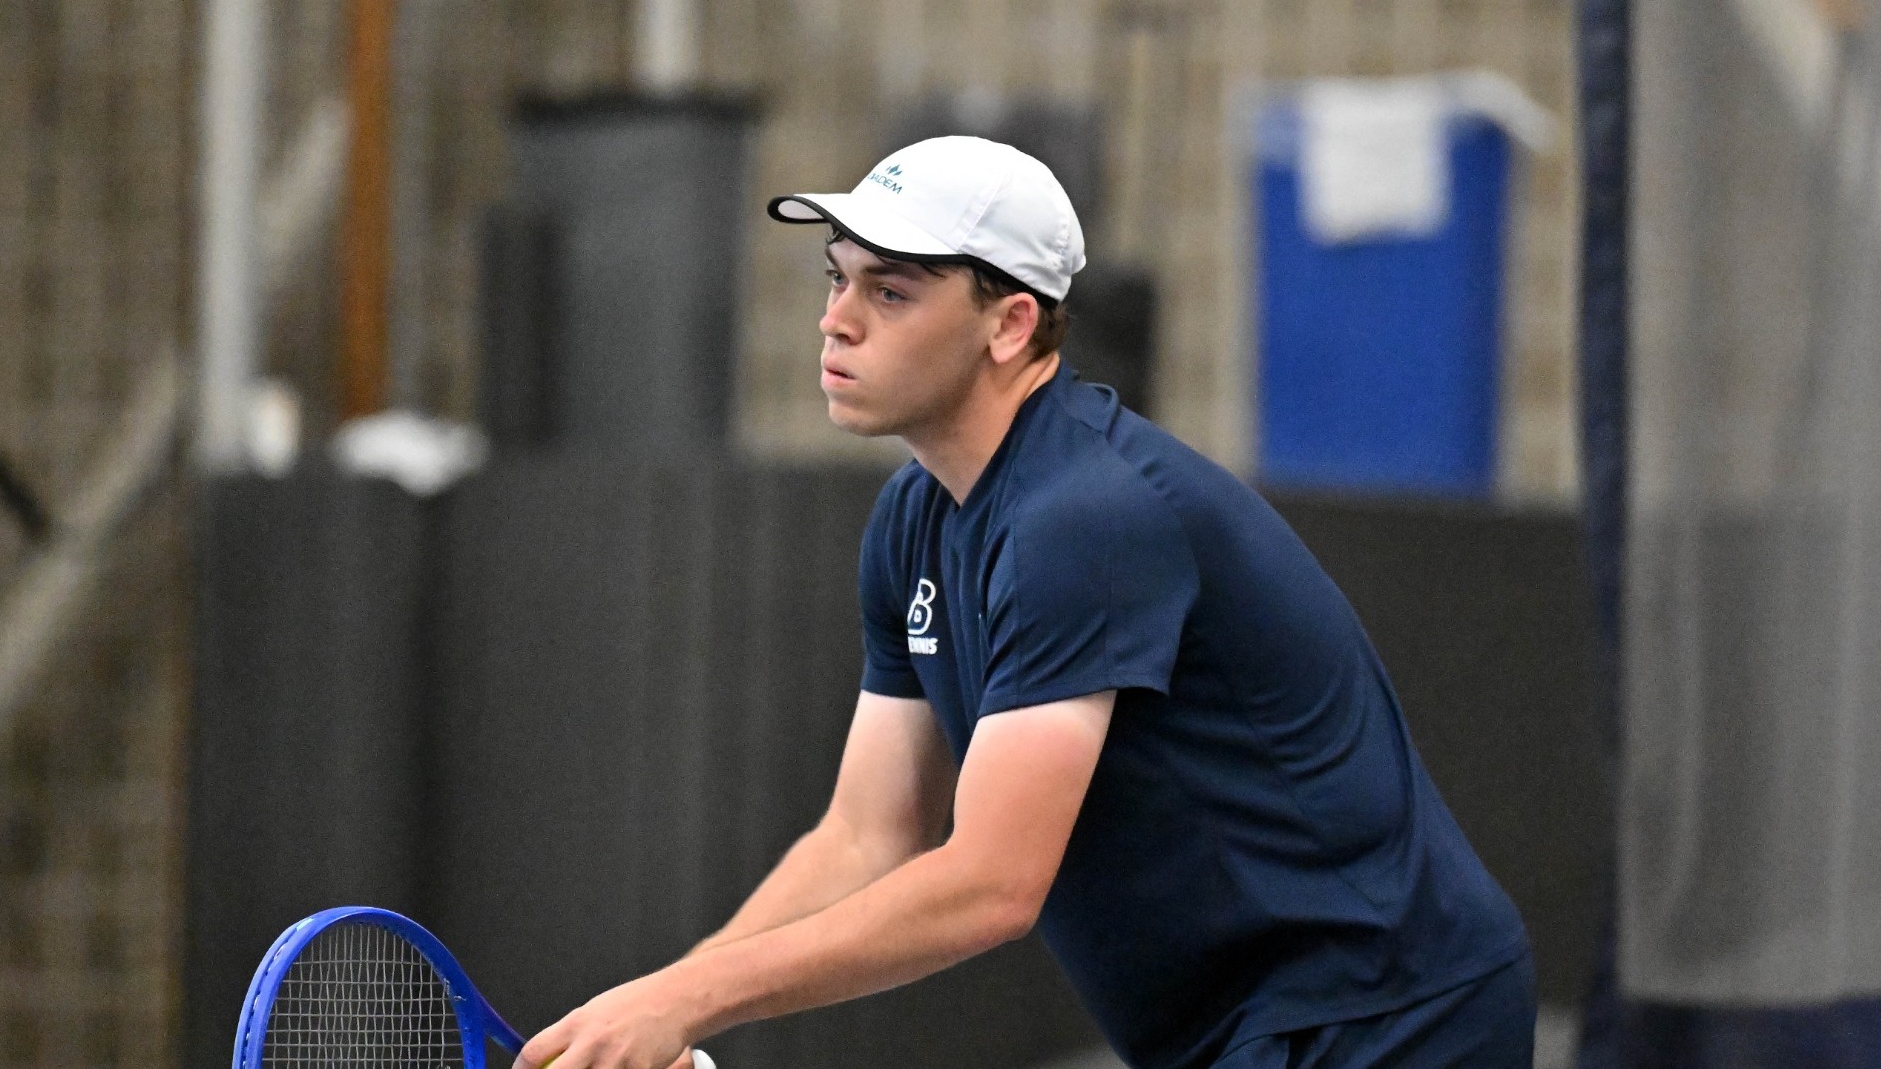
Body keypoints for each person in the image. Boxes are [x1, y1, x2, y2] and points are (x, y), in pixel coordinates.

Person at [513, 136, 1534, 1069]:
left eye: (892, 292)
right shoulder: (913, 516)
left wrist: (686, 1001)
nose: (835, 320)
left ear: (1007, 324)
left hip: (1385, 1016)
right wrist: (658, 1014)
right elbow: (867, 835)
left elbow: (992, 884)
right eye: (836, 281)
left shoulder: (1084, 522)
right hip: (1250, 1025)